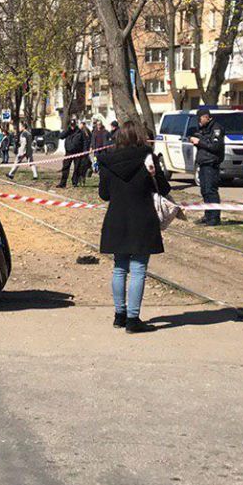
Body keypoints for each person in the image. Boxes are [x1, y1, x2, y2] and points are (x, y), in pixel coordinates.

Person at [98, 120, 171, 333]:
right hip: (142, 219)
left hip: (117, 219)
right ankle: (133, 319)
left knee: (119, 268)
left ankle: (119, 316)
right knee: (138, 269)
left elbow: (104, 195)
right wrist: (153, 174)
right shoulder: (148, 158)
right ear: (140, 137)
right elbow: (164, 188)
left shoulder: (107, 161)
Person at [190, 109, 224, 226]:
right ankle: (208, 215)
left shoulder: (216, 128)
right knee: (204, 191)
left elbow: (215, 146)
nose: (198, 121)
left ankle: (214, 218)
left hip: (211, 164)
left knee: (211, 191)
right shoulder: (204, 129)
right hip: (203, 163)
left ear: (206, 117)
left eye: (200, 118)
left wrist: (199, 142)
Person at [58, 120, 83, 187]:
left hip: (78, 152)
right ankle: (63, 183)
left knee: (77, 168)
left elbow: (85, 141)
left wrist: (85, 151)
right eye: (71, 125)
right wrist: (67, 130)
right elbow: (61, 136)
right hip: (68, 152)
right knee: (65, 167)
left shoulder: (80, 132)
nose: (72, 127)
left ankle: (75, 182)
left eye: (73, 125)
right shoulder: (68, 131)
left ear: (75, 125)